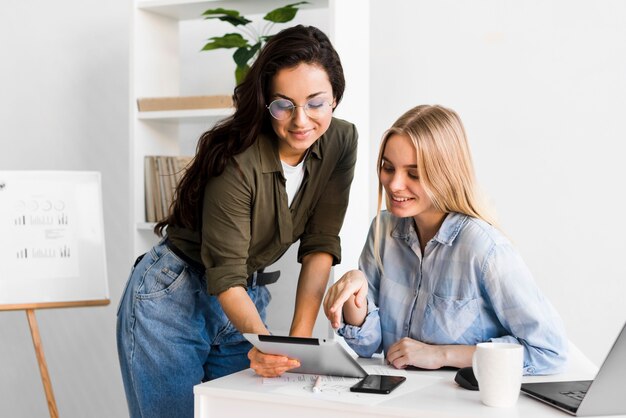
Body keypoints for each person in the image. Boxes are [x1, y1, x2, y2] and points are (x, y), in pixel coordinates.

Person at [117, 25, 358, 418]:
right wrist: (266, 344)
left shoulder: (340, 142)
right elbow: (226, 274)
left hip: (246, 294)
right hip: (173, 298)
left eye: (316, 103)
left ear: (335, 97)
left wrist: (295, 347)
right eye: (284, 105)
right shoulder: (236, 160)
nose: (301, 121)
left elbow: (320, 243)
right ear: (265, 102)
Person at [323, 104, 567, 375]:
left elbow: (549, 350)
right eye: (388, 168)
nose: (393, 184)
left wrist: (443, 355)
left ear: (446, 174)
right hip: (398, 400)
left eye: (413, 174)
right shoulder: (383, 229)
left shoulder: (484, 248)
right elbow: (370, 346)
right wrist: (355, 295)